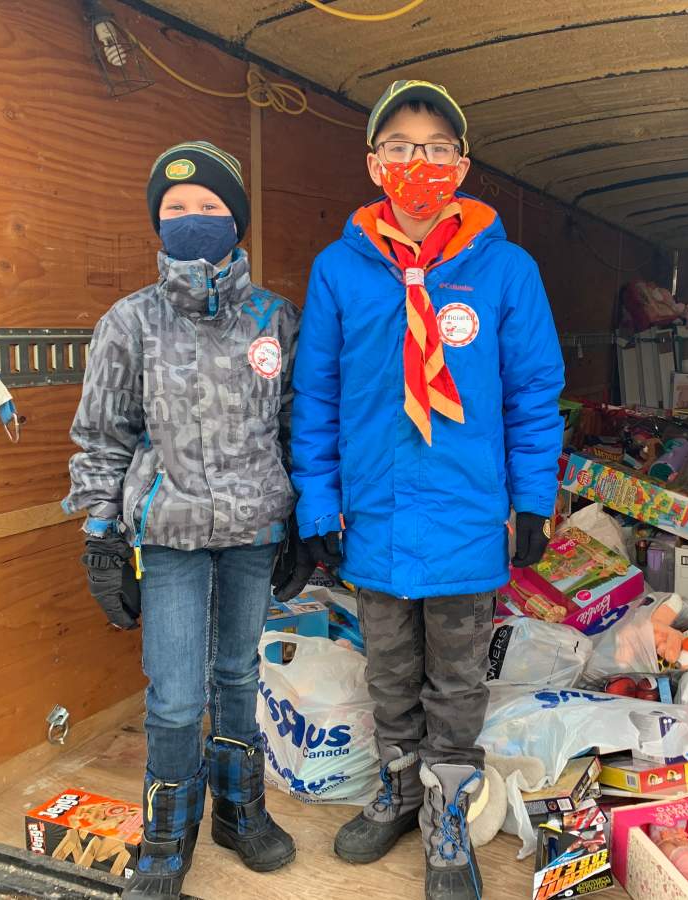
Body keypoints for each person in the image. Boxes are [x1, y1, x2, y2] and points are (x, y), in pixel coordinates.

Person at [277, 80, 565, 900]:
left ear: (462, 166)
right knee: (390, 674)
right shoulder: (340, 271)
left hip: (468, 517)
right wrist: (317, 503)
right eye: (401, 148)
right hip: (375, 517)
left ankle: (447, 812)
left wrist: (533, 501)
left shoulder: (506, 270)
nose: (420, 163)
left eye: (437, 148)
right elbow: (317, 396)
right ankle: (400, 790)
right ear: (375, 165)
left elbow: (533, 394)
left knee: (459, 682)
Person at [62, 141, 299, 900]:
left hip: (254, 532)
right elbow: (102, 437)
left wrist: (305, 521)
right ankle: (167, 833)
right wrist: (101, 536)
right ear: (157, 223)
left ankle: (239, 811)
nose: (193, 218)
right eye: (175, 208)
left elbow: (296, 427)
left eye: (209, 206)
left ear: (237, 219)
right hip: (168, 536)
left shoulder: (274, 318)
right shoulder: (129, 321)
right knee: (174, 695)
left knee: (238, 674)